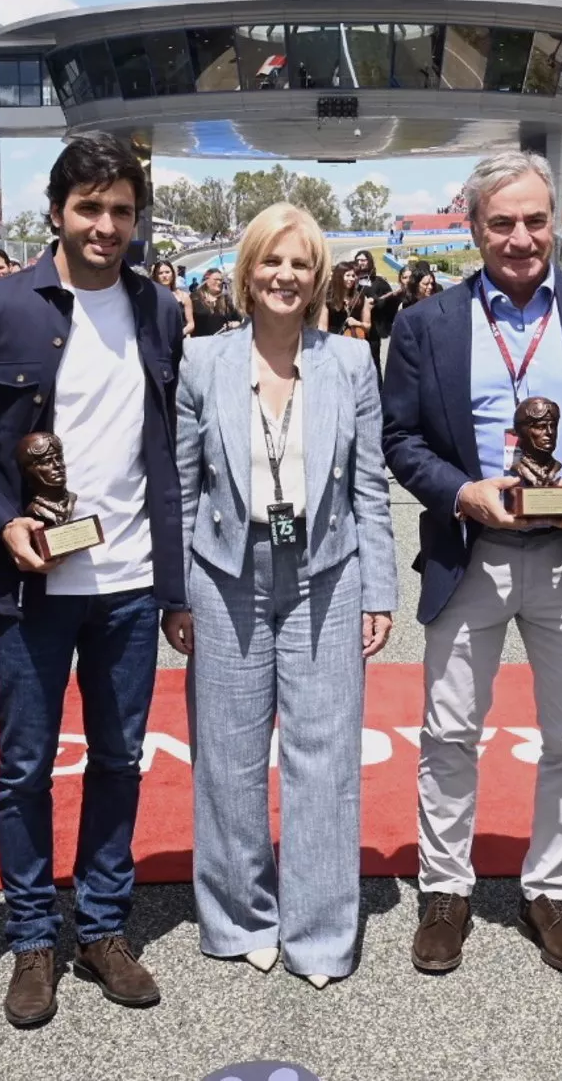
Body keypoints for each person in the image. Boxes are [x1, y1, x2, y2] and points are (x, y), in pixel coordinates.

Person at [0, 132, 185, 1028]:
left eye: (121, 210)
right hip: (32, 587)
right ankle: (33, 938)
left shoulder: (161, 312)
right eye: (90, 208)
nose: (107, 226)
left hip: (130, 583)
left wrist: (177, 584)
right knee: (24, 769)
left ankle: (103, 929)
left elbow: (167, 455)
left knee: (119, 761)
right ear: (57, 213)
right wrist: (2, 519)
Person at [382, 149, 562, 978]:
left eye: (535, 219)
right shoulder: (426, 323)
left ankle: (550, 890)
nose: (521, 236)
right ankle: (446, 891)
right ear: (473, 229)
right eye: (501, 222)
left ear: (555, 222)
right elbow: (401, 440)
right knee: (451, 732)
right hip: (473, 554)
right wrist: (462, 493)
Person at [166, 203, 398, 989]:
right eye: (271, 261)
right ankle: (239, 919)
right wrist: (178, 594)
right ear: (245, 272)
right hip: (225, 576)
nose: (285, 276)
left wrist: (380, 591)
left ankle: (321, 932)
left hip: (328, 578)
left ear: (320, 275)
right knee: (227, 760)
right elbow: (183, 488)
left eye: (300, 263)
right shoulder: (201, 361)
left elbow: (371, 485)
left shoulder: (351, 363)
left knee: (324, 760)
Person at [348, 249, 394, 367]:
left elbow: (390, 299)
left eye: (363, 260)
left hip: (372, 330)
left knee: (373, 364)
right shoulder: (350, 279)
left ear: (369, 262)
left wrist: (377, 302)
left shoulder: (378, 281)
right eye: (358, 260)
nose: (360, 262)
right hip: (351, 330)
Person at [322, 261, 369, 340]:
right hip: (332, 341)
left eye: (353, 276)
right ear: (339, 277)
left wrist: (358, 323)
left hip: (353, 341)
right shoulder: (327, 298)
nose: (351, 279)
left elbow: (368, 327)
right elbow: (322, 327)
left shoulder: (360, 297)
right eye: (348, 275)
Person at [149, 258, 196, 335]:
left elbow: (191, 324)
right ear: (155, 276)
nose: (164, 275)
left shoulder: (184, 296)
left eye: (167, 272)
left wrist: (179, 334)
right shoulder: (151, 297)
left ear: (173, 274)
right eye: (160, 273)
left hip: (180, 340)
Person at [191, 268, 241, 337]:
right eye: (216, 279)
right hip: (202, 343)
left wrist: (234, 324)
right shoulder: (194, 298)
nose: (219, 282)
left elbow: (238, 320)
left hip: (224, 341)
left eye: (221, 280)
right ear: (206, 280)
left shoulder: (226, 300)